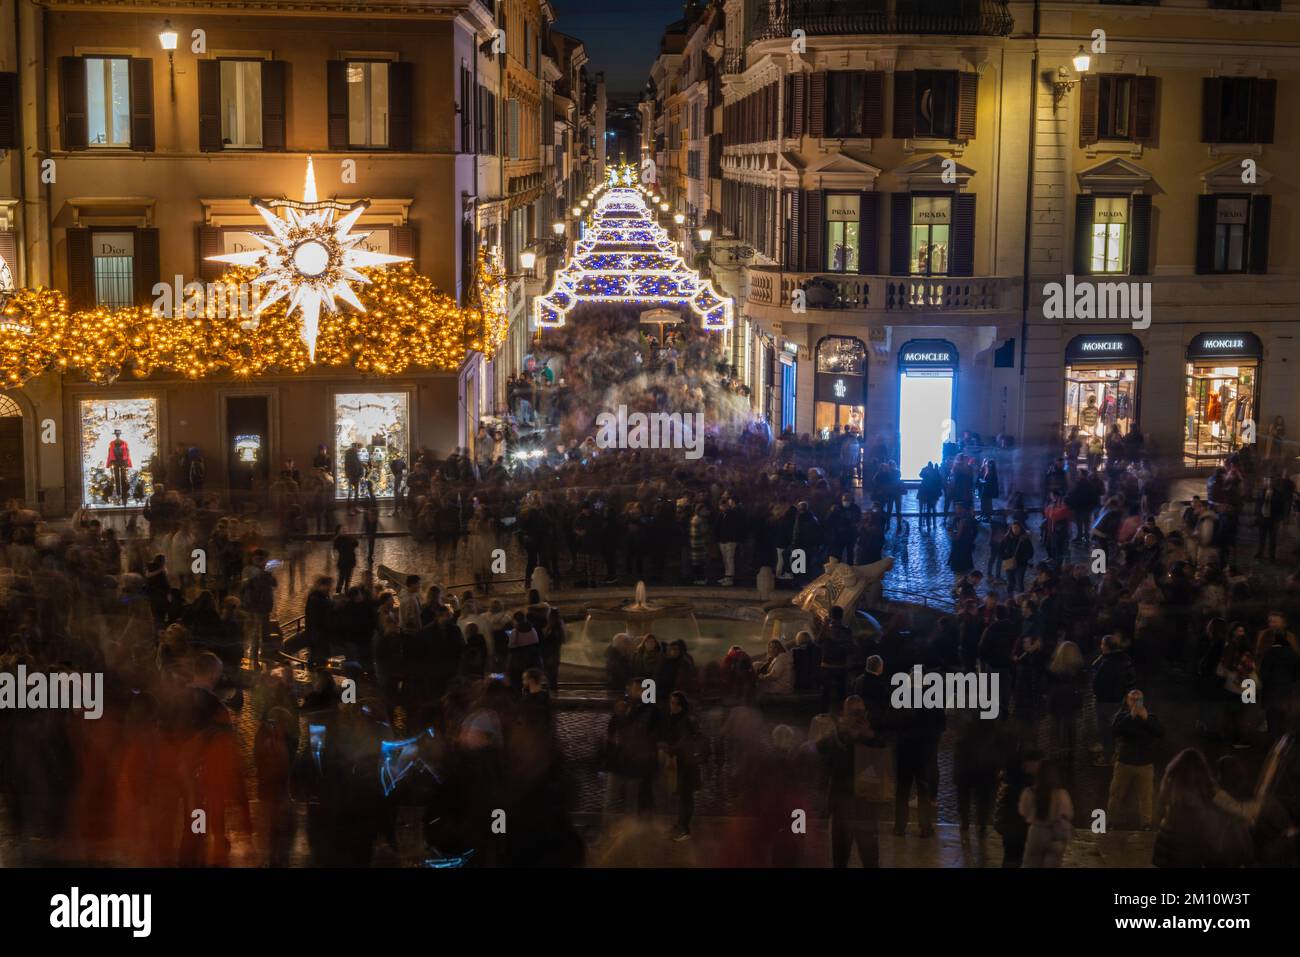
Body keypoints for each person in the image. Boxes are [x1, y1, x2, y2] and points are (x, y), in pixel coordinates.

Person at [817, 695, 883, 867]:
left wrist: (868, 737)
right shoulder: (833, 741)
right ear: (843, 714)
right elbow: (821, 767)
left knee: (869, 858)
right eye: (853, 713)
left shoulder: (871, 740)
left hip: (862, 809)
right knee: (841, 857)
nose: (857, 717)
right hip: (846, 810)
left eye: (860, 713)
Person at [1107, 689, 1164, 829]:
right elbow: (1114, 730)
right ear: (1127, 701)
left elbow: (1160, 732)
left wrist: (1146, 719)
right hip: (1124, 763)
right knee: (1116, 795)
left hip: (1145, 764)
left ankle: (1146, 824)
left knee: (1146, 797)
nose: (1135, 702)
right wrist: (1130, 717)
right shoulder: (1121, 716)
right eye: (1133, 699)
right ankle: (1110, 822)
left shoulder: (1150, 716)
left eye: (1138, 699)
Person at [662, 691, 703, 841]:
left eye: (673, 703)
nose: (670, 706)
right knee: (683, 796)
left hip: (687, 764)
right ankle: (680, 825)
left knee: (686, 797)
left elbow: (684, 742)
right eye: (670, 702)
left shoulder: (684, 721)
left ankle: (684, 829)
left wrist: (669, 749)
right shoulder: (676, 719)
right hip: (681, 763)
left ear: (680, 705)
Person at [1019, 760, 1072, 867]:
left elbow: (1023, 812)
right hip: (1054, 834)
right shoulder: (1061, 794)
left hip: (1036, 832)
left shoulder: (1029, 792)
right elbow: (1068, 814)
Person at [332, 525, 359, 593]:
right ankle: (338, 592)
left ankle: (347, 591)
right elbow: (335, 549)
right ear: (339, 531)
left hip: (351, 561)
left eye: (345, 529)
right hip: (342, 562)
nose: (344, 530)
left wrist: (353, 537)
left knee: (348, 578)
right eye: (342, 529)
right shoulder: (338, 539)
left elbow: (356, 544)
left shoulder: (350, 538)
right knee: (341, 578)